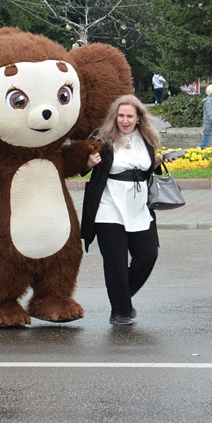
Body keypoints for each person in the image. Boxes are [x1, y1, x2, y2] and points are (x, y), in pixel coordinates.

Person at [81, 95, 174, 326]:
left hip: (138, 206)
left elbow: (143, 168)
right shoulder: (102, 138)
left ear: (138, 118)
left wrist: (159, 160)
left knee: (148, 254)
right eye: (121, 115)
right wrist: (88, 164)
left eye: (129, 116)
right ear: (115, 117)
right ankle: (120, 311)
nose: (124, 120)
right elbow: (79, 164)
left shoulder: (147, 138)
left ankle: (121, 298)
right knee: (116, 262)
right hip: (108, 205)